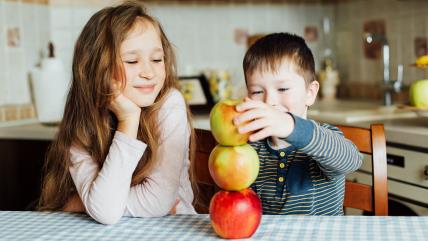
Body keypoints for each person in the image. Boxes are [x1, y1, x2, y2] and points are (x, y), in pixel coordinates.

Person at [38, 1, 197, 224]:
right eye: (132, 60)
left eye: (157, 59)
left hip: (173, 228)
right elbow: (106, 211)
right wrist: (128, 119)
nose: (149, 72)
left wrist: (84, 203)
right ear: (97, 68)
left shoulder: (169, 104)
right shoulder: (84, 121)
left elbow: (154, 202)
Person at [233, 33, 363, 215]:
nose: (269, 101)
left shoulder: (323, 138)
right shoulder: (251, 147)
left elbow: (351, 160)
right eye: (257, 91)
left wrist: (291, 127)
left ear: (310, 93)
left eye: (283, 89)